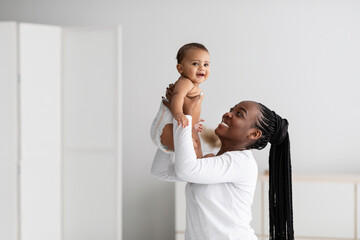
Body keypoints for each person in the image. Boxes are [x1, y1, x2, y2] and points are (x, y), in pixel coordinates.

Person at [151, 96, 294, 240]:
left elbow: (186, 169)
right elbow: (161, 171)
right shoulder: (213, 162)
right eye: (231, 110)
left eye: (239, 114)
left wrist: (185, 116)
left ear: (254, 134)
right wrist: (175, 113)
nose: (227, 114)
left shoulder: (242, 163)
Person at [150, 43, 210, 158]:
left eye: (206, 64)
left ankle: (200, 161)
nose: (202, 68)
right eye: (195, 64)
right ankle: (198, 166)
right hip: (167, 129)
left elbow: (188, 107)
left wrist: (194, 123)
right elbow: (177, 97)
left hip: (179, 128)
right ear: (180, 68)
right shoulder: (185, 82)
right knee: (194, 146)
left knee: (196, 141)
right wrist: (178, 114)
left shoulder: (192, 85)